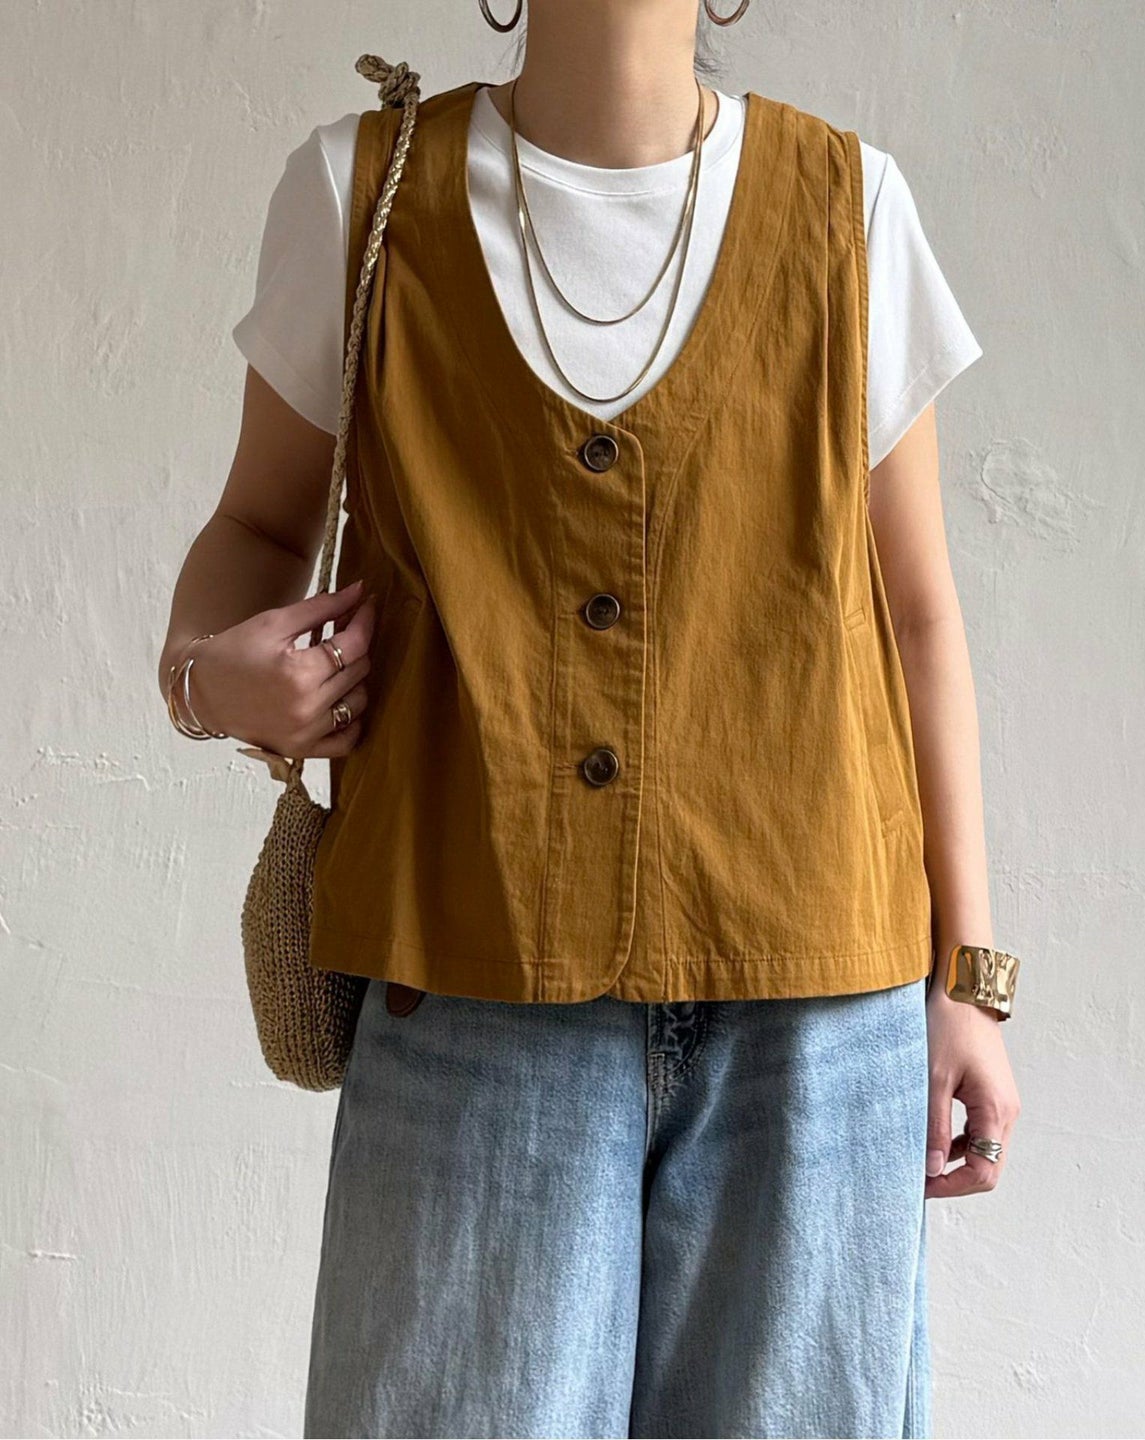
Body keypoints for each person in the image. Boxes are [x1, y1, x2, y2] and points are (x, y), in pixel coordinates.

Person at [157, 2, 1022, 1435]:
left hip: (818, 1004)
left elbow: (918, 615)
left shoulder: (849, 205)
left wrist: (970, 981)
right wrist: (209, 678)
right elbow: (255, 526)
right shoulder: (363, 190)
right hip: (469, 975)